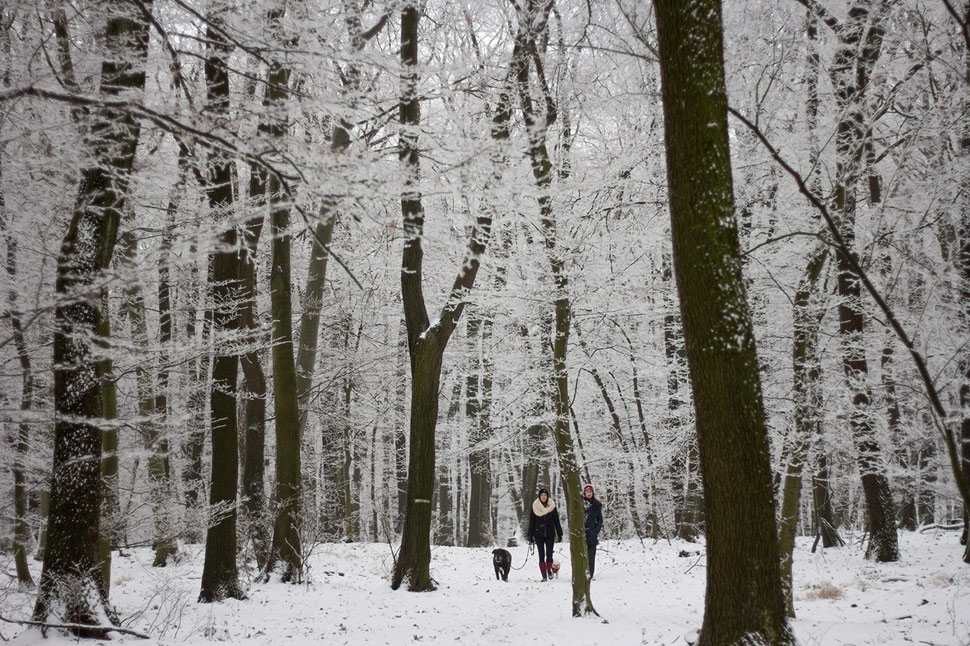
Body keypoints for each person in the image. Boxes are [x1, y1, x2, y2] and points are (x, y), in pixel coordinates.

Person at [527, 487, 563, 581]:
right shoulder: (535, 506)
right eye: (542, 495)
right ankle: (544, 575)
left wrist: (559, 533)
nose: (543, 497)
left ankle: (549, 569)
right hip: (538, 533)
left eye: (545, 495)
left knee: (549, 554)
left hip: (550, 533)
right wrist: (530, 535)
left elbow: (556, 520)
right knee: (541, 555)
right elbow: (532, 521)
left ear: (547, 496)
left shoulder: (552, 506)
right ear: (539, 496)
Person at [583, 483, 603, 579]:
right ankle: (582, 573)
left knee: (591, 556)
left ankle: (590, 574)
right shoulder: (580, 503)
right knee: (583, 555)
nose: (589, 493)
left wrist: (596, 530)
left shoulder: (597, 504)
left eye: (590, 491)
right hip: (582, 533)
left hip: (592, 533)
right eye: (587, 491)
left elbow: (600, 519)